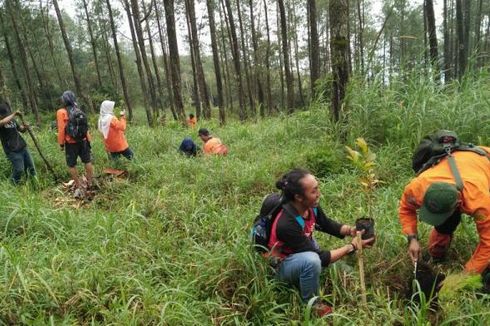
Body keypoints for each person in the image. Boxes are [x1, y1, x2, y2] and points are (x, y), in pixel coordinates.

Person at [267, 168, 374, 316]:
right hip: (281, 266)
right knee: (312, 261)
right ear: (298, 197)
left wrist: (351, 230)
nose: (318, 194)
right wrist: (352, 246)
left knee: (343, 269)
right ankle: (312, 305)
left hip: (301, 250)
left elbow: (327, 224)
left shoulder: (310, 207)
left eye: (317, 188)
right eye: (314, 191)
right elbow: (321, 258)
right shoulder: (286, 223)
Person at [399, 145, 490, 280]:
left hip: (484, 162)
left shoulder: (479, 200)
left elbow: (488, 243)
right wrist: (412, 239)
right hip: (462, 164)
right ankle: (436, 254)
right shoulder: (418, 187)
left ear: (458, 204)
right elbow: (406, 208)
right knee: (446, 222)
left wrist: (464, 276)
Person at [57, 91, 94, 192]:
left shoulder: (61, 112)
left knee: (71, 164)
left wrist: (61, 144)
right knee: (87, 161)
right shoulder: (78, 109)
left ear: (64, 100)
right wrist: (88, 139)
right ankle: (90, 182)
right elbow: (85, 127)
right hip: (83, 140)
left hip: (71, 143)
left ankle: (78, 185)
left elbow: (61, 129)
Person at [0, 103, 36, 184]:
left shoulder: (12, 120)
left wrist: (25, 127)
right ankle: (12, 186)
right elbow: (2, 122)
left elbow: (20, 129)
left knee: (31, 168)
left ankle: (35, 186)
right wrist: (14, 114)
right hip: (12, 151)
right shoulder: (2, 122)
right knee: (19, 170)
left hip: (22, 146)